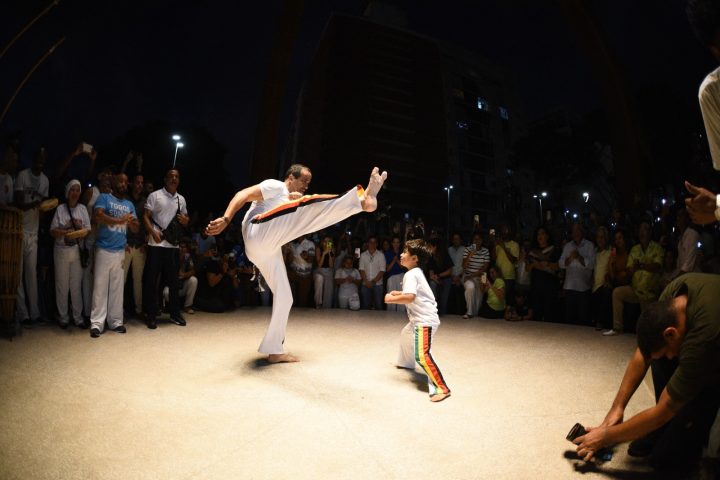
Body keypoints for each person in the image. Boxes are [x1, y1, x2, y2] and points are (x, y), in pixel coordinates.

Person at [205, 165, 387, 363]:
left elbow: (295, 211)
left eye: (309, 183)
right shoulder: (276, 186)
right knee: (306, 206)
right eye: (303, 181)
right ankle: (362, 200)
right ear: (290, 177)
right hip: (257, 232)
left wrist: (295, 200)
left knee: (285, 296)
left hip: (265, 250)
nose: (306, 186)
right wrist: (226, 218)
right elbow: (243, 194)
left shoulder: (290, 198)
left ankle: (275, 350)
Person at [575, 273, 720, 474]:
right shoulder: (673, 294)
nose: (671, 358)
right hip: (703, 345)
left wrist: (607, 436)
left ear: (671, 332)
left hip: (714, 363)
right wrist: (617, 408)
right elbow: (645, 352)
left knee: (668, 462)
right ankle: (667, 427)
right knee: (660, 356)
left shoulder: (705, 336)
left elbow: (663, 410)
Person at [385, 239, 450, 403]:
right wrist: (397, 293)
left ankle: (441, 387)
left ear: (415, 258)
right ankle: (406, 363)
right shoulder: (416, 273)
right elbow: (411, 293)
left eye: (405, 252)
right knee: (406, 335)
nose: (401, 254)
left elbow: (410, 297)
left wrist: (390, 299)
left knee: (422, 355)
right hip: (418, 319)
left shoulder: (411, 274)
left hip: (424, 321)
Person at [89, 173, 139, 338]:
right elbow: (98, 216)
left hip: (119, 251)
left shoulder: (129, 204)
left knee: (117, 289)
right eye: (120, 181)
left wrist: (132, 223)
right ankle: (97, 323)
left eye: (126, 182)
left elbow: (136, 228)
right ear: (114, 182)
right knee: (100, 287)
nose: (123, 184)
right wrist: (120, 221)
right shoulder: (104, 197)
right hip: (103, 249)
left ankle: (116, 321)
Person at [143, 169, 189, 329]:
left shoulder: (181, 199)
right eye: (171, 176)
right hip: (156, 244)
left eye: (177, 176)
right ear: (165, 179)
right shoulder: (155, 195)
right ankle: (151, 314)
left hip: (173, 245)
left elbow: (185, 220)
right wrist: (151, 231)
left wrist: (185, 220)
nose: (174, 179)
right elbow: (145, 216)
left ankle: (175, 314)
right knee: (151, 280)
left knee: (174, 282)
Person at [603, 222, 663, 336]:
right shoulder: (635, 249)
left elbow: (658, 266)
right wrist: (632, 268)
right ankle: (617, 328)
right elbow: (629, 270)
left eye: (644, 229)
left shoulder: (657, 248)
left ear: (650, 232)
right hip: (635, 289)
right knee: (617, 293)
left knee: (647, 328)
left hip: (649, 292)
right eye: (640, 230)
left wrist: (641, 265)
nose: (642, 232)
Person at [15, 147, 49, 327]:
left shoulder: (45, 180)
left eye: (44, 158)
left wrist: (43, 209)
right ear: (34, 158)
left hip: (34, 232)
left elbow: (41, 211)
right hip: (19, 230)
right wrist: (35, 204)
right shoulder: (22, 175)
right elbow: (18, 203)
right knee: (18, 274)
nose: (40, 161)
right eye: (38, 157)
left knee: (31, 274)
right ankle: (23, 313)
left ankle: (34, 313)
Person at [49, 179, 91, 328]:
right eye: (72, 190)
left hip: (76, 252)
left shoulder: (83, 209)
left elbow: (88, 229)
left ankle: (78, 317)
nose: (75, 193)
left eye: (77, 190)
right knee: (62, 285)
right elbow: (52, 230)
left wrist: (78, 234)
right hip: (61, 251)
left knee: (75, 286)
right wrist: (66, 233)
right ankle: (63, 317)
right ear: (68, 192)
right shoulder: (60, 209)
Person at [559, 223, 596, 325]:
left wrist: (579, 257)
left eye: (578, 230)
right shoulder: (568, 246)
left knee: (583, 319)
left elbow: (592, 265)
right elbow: (561, 264)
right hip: (569, 287)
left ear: (582, 231)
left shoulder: (589, 245)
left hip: (583, 288)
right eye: (574, 231)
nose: (576, 233)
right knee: (569, 319)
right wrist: (570, 258)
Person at [123, 173, 147, 318]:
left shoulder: (145, 202)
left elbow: (147, 224)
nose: (139, 185)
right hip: (125, 244)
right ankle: (119, 310)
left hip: (139, 246)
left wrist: (145, 242)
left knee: (138, 280)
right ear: (132, 184)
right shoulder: (125, 200)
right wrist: (122, 242)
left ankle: (138, 310)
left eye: (141, 183)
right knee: (122, 280)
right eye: (137, 182)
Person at [527, 226, 560, 322]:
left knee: (549, 315)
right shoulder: (533, 251)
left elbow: (557, 267)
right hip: (536, 286)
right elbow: (527, 268)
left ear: (547, 236)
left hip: (549, 286)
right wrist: (536, 265)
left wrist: (544, 264)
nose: (540, 236)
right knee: (537, 315)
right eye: (538, 234)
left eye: (542, 234)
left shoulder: (554, 250)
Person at [462, 233, 490, 319]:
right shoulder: (467, 250)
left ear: (482, 241)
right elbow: (463, 266)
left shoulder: (485, 251)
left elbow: (485, 268)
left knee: (479, 298)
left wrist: (472, 276)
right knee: (470, 287)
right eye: (475, 239)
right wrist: (470, 255)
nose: (477, 241)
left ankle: (475, 313)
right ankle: (469, 312)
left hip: (481, 276)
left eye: (479, 239)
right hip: (467, 275)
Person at [359, 236, 386, 310]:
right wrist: (366, 282)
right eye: (371, 242)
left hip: (378, 285)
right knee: (365, 306)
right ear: (368, 243)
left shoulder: (381, 255)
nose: (372, 244)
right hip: (365, 284)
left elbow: (382, 270)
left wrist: (373, 282)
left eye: (374, 242)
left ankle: (379, 321)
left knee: (378, 306)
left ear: (377, 244)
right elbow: (361, 269)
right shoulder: (363, 255)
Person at [313, 234, 335, 309]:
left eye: (328, 241)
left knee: (329, 287)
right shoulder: (318, 249)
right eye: (325, 241)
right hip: (319, 270)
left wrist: (329, 253)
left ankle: (326, 306)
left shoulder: (332, 250)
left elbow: (331, 265)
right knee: (319, 278)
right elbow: (319, 265)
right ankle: (318, 304)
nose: (326, 243)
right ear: (322, 242)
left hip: (329, 270)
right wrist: (324, 253)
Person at [384, 236, 404, 312]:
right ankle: (390, 315)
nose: (396, 244)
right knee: (391, 296)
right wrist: (394, 260)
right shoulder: (387, 253)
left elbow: (403, 267)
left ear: (399, 244)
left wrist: (397, 261)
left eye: (397, 242)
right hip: (391, 277)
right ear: (392, 243)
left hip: (401, 276)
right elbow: (388, 269)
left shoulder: (402, 253)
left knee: (401, 297)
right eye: (394, 242)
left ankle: (401, 315)